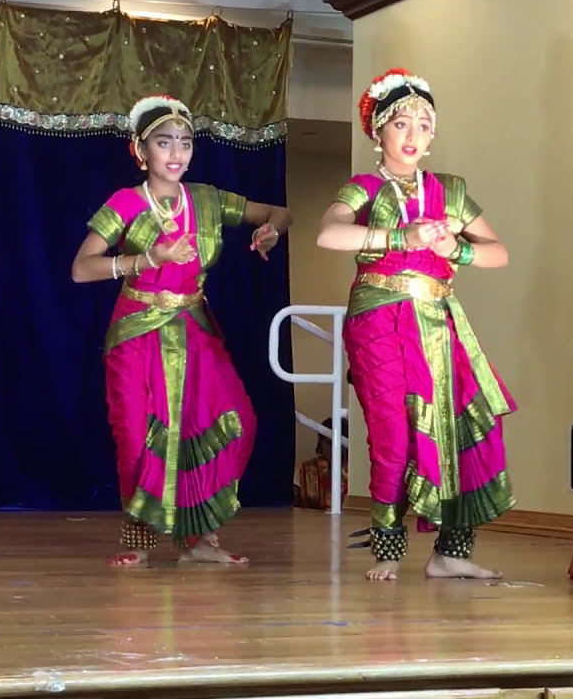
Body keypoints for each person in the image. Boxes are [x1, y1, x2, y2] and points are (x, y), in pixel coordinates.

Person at [71, 95, 294, 568]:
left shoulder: (209, 200)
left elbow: (279, 212)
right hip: (136, 331)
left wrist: (271, 231)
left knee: (233, 423)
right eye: (164, 142)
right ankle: (141, 540)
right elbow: (81, 269)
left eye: (185, 143)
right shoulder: (126, 203)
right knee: (136, 435)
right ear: (140, 150)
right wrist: (146, 259)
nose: (176, 153)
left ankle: (200, 539)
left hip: (193, 329)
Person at [316, 68, 517, 581]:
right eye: (401, 123)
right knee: (392, 430)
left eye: (424, 125)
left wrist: (459, 249)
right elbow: (330, 235)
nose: (413, 134)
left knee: (460, 425)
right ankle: (386, 544)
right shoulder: (363, 188)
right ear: (379, 132)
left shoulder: (450, 191)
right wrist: (399, 238)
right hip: (379, 318)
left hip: (438, 320)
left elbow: (499, 254)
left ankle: (450, 552)